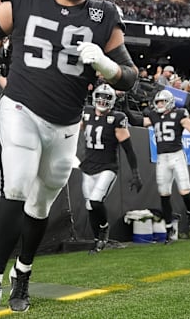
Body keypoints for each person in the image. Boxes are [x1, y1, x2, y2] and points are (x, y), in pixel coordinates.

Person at [0, 0, 137, 319]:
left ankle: (22, 273)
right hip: (21, 108)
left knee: (40, 205)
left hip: (67, 123)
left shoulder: (104, 14)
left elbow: (130, 77)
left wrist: (107, 68)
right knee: (16, 188)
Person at [126, 89, 190, 242]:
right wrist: (126, 108)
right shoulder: (154, 116)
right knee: (164, 195)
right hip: (162, 158)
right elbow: (136, 121)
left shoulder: (180, 115)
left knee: (184, 191)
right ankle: (168, 228)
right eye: (158, 102)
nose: (159, 104)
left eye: (162, 101)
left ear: (170, 102)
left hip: (177, 156)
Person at [80, 84, 142, 253]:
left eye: (107, 97)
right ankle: (97, 240)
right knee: (90, 206)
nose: (102, 100)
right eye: (100, 96)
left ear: (113, 100)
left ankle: (104, 228)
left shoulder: (117, 118)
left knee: (95, 201)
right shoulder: (86, 113)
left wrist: (135, 172)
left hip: (107, 167)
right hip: (89, 166)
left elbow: (128, 148)